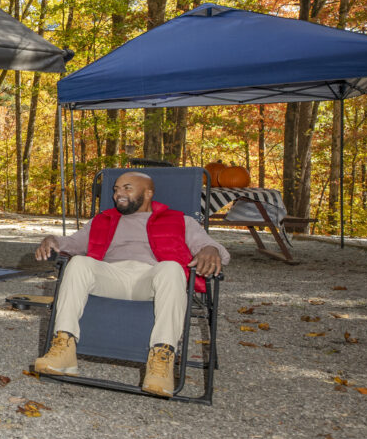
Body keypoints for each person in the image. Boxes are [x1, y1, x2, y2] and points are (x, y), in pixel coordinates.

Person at [33, 170, 228, 397]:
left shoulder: (181, 220)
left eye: (127, 188)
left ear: (148, 193)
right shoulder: (103, 219)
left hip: (152, 279)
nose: (118, 194)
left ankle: (162, 361)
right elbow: (73, 243)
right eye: (116, 189)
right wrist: (52, 240)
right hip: (111, 276)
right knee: (78, 263)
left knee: (173, 267)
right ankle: (64, 348)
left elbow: (215, 249)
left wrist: (210, 250)